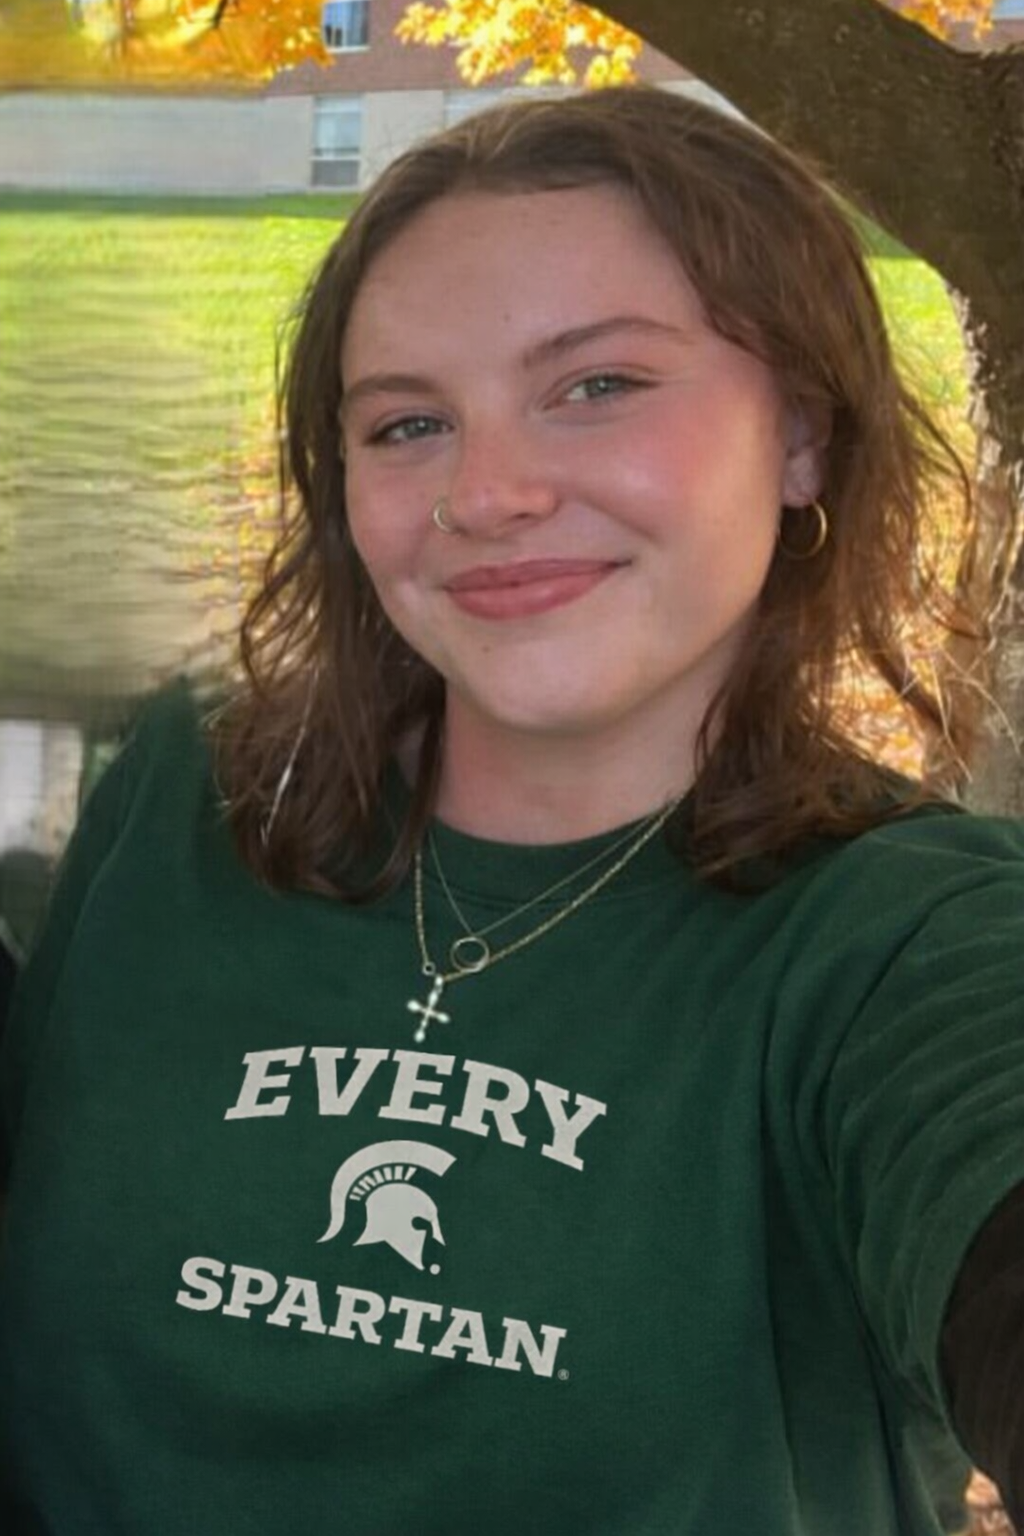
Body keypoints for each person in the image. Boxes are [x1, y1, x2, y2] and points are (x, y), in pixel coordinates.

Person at [0, 85, 1021, 1536]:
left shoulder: (911, 947)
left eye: (597, 385)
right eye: (408, 422)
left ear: (799, 432)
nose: (487, 494)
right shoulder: (182, 801)